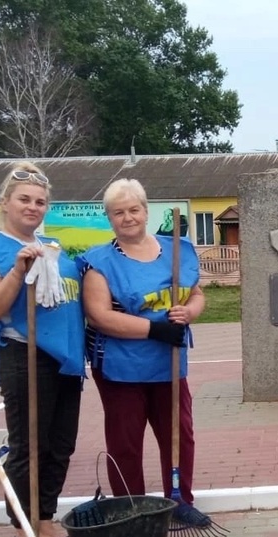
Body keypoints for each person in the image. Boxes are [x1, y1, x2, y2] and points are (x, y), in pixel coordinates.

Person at [0, 161, 84, 537]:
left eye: (40, 201)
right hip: (24, 355)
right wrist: (17, 273)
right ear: (5, 203)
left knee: (60, 444)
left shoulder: (53, 249)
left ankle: (44, 518)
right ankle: (24, 528)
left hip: (63, 359)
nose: (33, 207)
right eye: (24, 200)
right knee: (30, 445)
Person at [78, 179, 206, 508]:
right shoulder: (99, 262)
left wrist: (188, 312)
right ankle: (130, 509)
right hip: (122, 368)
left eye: (134, 209)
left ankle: (181, 503)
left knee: (179, 438)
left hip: (169, 363)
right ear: (109, 218)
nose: (128, 217)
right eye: (118, 212)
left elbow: (196, 294)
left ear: (146, 211)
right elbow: (99, 316)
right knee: (126, 444)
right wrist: (155, 329)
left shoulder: (178, 250)